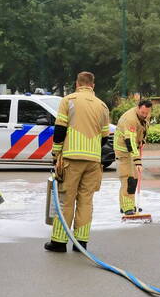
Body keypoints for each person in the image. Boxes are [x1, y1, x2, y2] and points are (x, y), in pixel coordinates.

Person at [44, 72, 111, 253]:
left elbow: (60, 129)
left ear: (77, 84)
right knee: (86, 201)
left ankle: (59, 241)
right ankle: (81, 242)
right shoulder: (102, 106)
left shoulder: (68, 100)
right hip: (93, 161)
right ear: (93, 85)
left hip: (72, 159)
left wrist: (56, 153)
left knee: (66, 199)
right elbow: (105, 137)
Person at [114, 99, 152, 215]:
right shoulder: (130, 119)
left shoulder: (145, 116)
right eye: (143, 113)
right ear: (137, 108)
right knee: (128, 178)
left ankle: (128, 204)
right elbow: (129, 141)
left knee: (134, 178)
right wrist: (138, 161)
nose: (145, 115)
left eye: (147, 113)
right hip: (123, 149)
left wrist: (142, 140)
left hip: (133, 147)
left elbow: (143, 130)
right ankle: (127, 208)